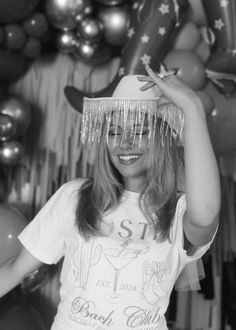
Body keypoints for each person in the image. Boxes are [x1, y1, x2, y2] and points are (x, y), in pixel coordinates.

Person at [0, 64, 220, 330]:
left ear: (162, 139)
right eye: (115, 131)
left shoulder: (180, 210)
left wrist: (192, 107)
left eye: (139, 131)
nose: (125, 143)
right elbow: (14, 269)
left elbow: (206, 213)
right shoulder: (75, 197)